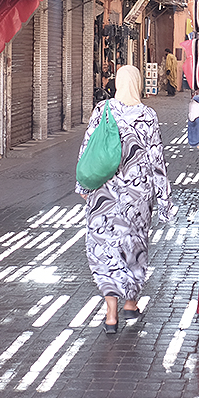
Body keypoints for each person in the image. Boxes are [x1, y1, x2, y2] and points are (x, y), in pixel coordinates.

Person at [76, 64, 171, 334]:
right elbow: (157, 160)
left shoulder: (102, 110)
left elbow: (87, 150)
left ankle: (110, 314)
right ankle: (131, 301)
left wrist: (82, 185)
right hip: (136, 198)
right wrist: (164, 199)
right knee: (132, 246)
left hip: (103, 195)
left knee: (105, 249)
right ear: (138, 83)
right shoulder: (147, 116)